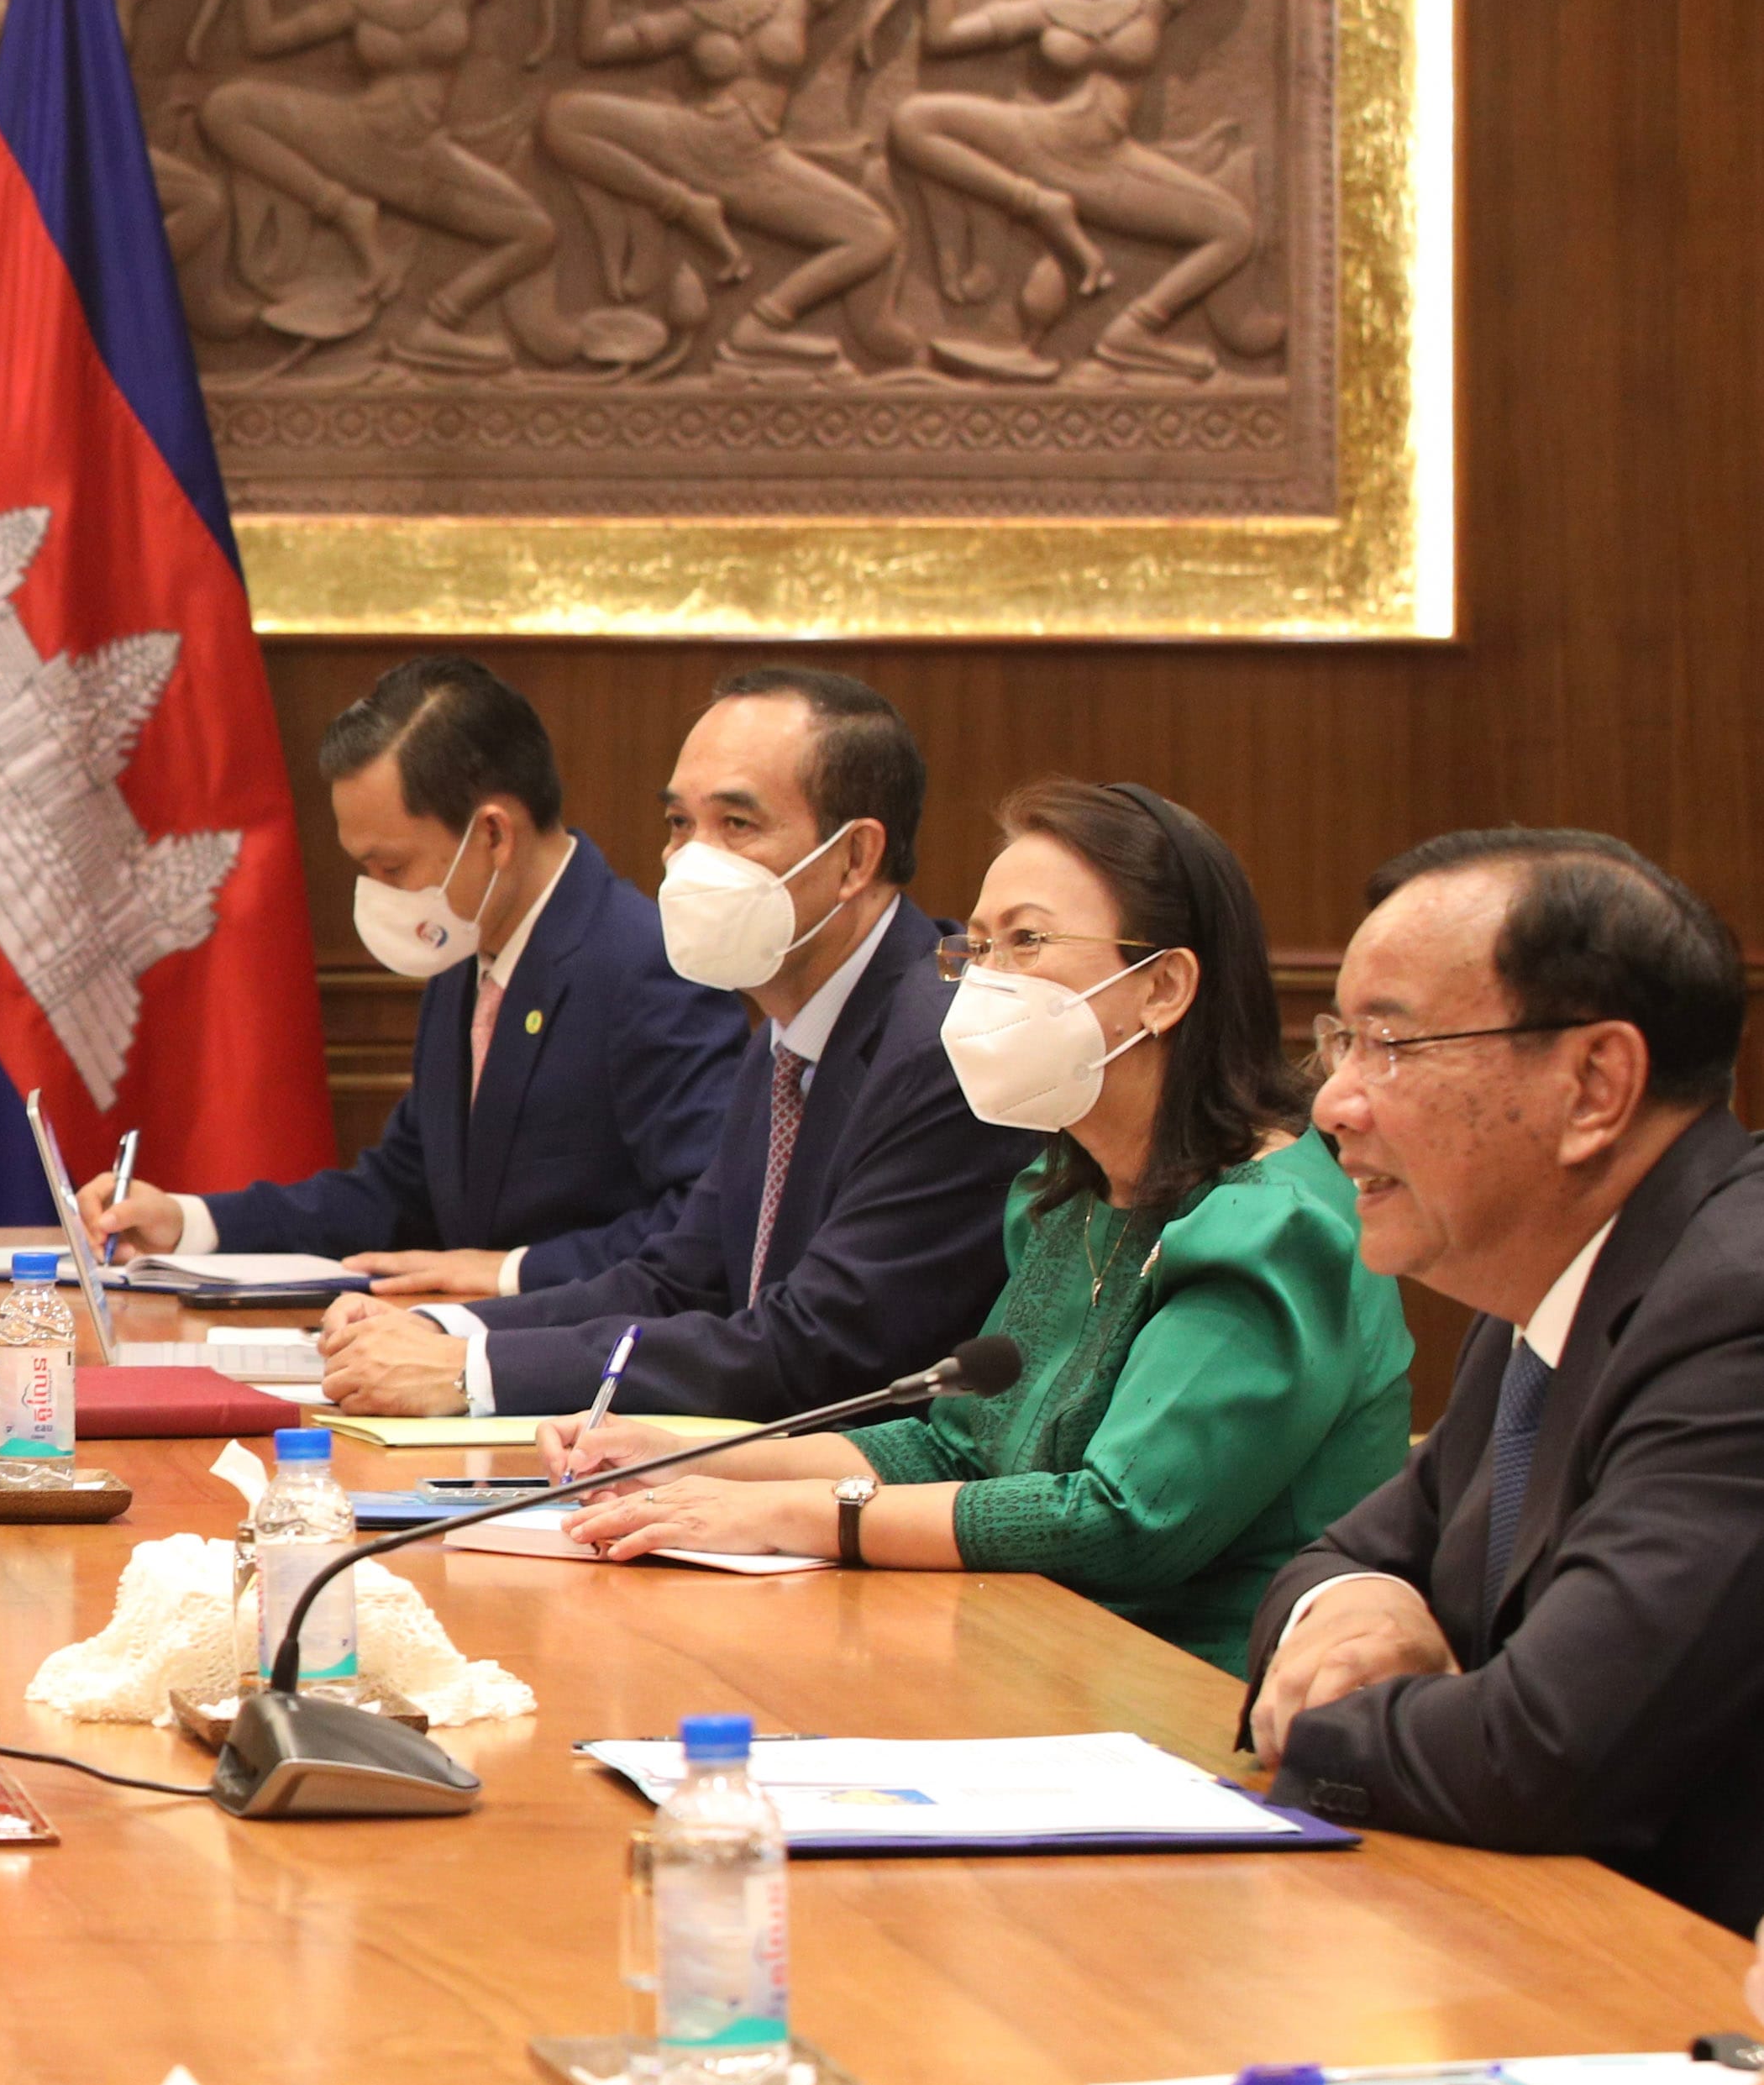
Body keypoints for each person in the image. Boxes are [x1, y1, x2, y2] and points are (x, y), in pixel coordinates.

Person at [543, 781, 1413, 1669]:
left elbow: (1120, 1520)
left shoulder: (1278, 1226)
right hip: (1037, 1653)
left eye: (1026, 942)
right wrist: (693, 1458)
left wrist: (793, 1513)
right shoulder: (1069, 1193)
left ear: (1162, 988)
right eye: (980, 947)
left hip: (1203, 1701)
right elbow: (953, 1444)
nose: (985, 981)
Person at [1245, 832, 1764, 1925]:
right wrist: (1360, 1611)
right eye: (1337, 1042)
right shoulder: (1546, 1284)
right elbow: (1343, 1555)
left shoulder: (1737, 1308)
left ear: (1593, 1085)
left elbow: (1546, 1754)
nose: (1333, 1104)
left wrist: (1318, 1722)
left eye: (1388, 1044)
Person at [318, 664, 1025, 1420]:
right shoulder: (786, 1035)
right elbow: (676, 1282)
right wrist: (440, 1326)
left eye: (737, 826)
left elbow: (817, 1347)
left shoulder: (943, 1044)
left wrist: (474, 1371)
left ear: (854, 860)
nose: (689, 862)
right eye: (680, 825)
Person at [83, 655, 742, 1298]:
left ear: (492, 836)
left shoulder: (648, 963)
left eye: (392, 868)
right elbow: (399, 1192)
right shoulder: (466, 957)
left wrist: (513, 1272)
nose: (377, 894)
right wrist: (189, 1222)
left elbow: (706, 1222)